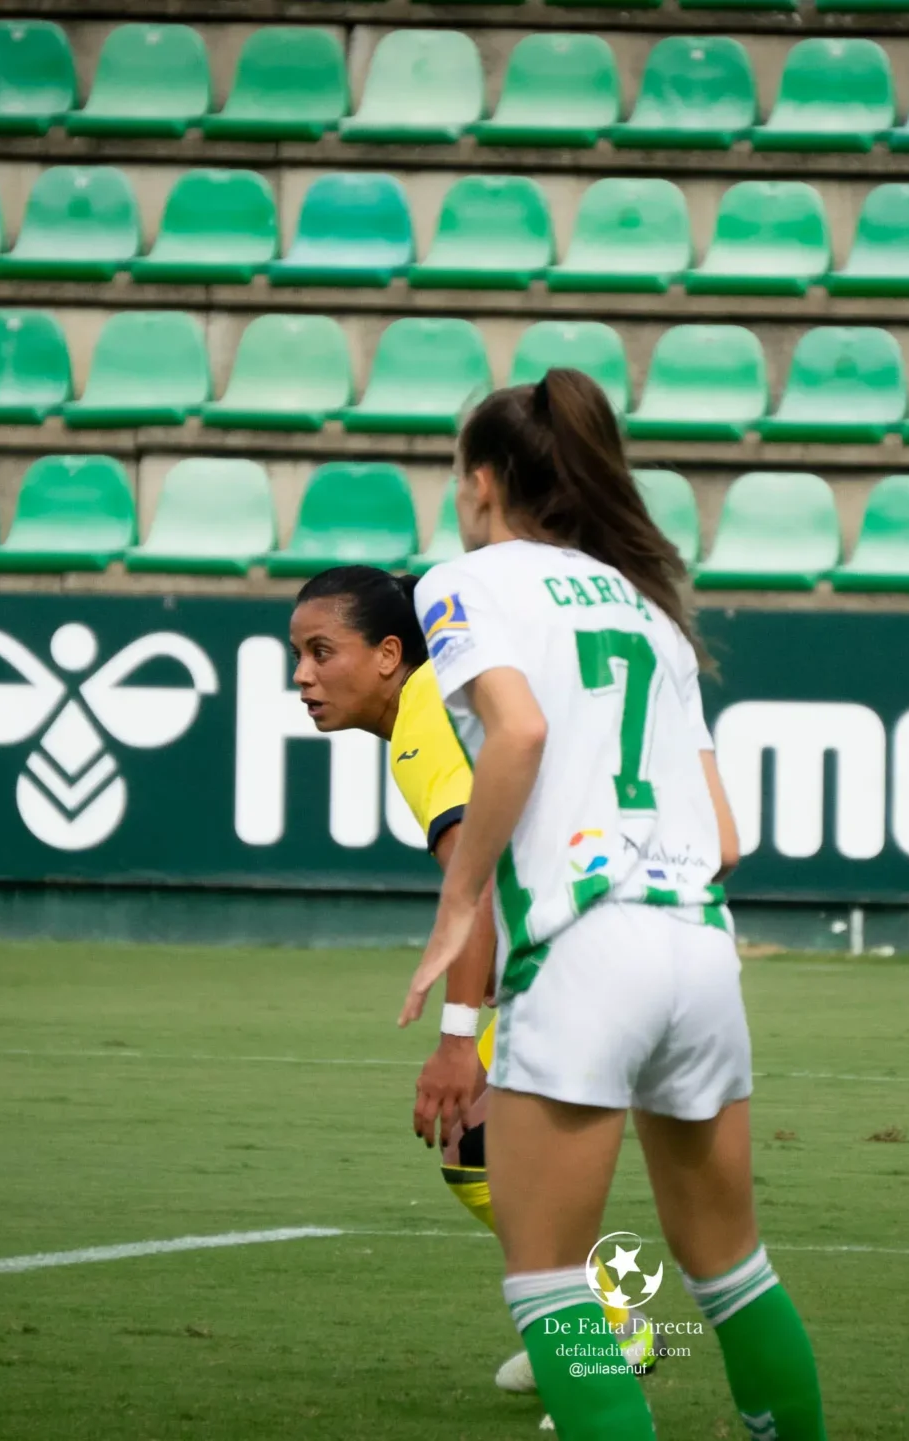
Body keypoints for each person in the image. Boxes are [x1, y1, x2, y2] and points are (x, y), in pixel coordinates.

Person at [397, 370, 828, 1440]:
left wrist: (461, 902)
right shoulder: (649, 610)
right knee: (733, 1273)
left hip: (587, 952)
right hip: (697, 948)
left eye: (461, 480)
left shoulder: (465, 581)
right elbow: (727, 838)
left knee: (551, 1289)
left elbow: (521, 731)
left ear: (484, 482)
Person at [286, 565, 654, 1398]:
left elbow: (479, 880)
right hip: (635, 933)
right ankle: (592, 1321)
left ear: (388, 655)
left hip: (586, 953)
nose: (301, 676)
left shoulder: (423, 723)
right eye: (297, 655)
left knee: (481, 1143)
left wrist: (457, 1041)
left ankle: (600, 1341)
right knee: (487, 1149)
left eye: (320, 651)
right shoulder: (455, 698)